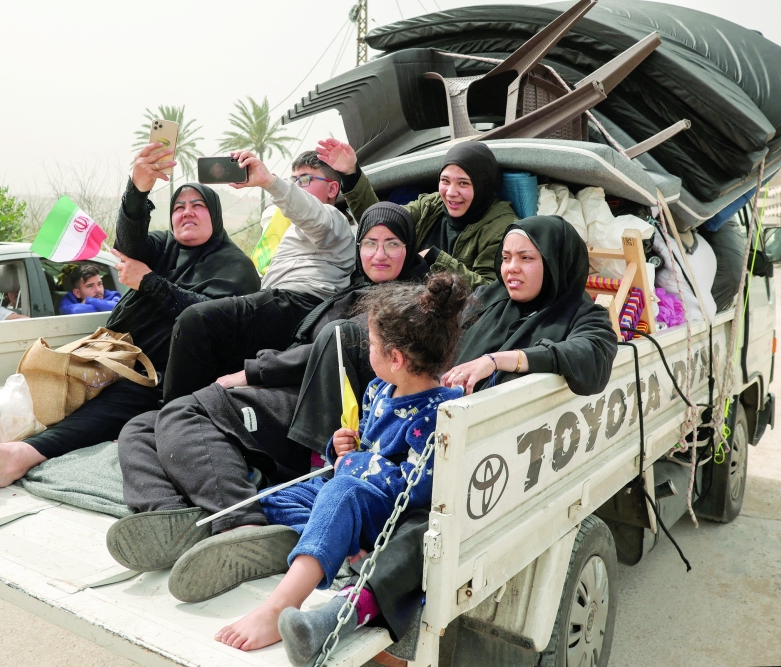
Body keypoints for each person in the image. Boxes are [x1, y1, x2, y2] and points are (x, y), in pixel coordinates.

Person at [273, 216, 619, 662]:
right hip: (424, 430)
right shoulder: (490, 299)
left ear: (556, 262)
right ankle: (296, 540)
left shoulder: (585, 316)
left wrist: (500, 360)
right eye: (507, 257)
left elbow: (590, 359)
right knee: (341, 478)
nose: (512, 268)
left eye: (527, 258)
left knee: (426, 530)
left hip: (489, 461)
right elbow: (427, 331)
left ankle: (340, 614)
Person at [0, 143, 262, 486]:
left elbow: (205, 320)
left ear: (215, 214)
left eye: (197, 206)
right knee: (28, 390)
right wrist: (138, 187)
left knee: (96, 409)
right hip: (105, 354)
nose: (186, 213)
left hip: (160, 377)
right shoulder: (164, 248)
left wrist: (149, 283)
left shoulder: (234, 266)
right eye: (178, 206)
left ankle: (19, 456)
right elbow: (129, 242)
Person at [108, 203, 430, 574]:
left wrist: (252, 373)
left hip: (317, 415)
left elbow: (334, 344)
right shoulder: (351, 288)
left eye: (392, 244)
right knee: (142, 425)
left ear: (410, 247)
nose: (379, 254)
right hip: (288, 394)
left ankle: (243, 522)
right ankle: (169, 516)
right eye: (370, 243)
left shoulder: (405, 304)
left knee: (186, 412)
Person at [197, 273, 467, 655]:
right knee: (281, 495)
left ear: (396, 358)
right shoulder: (378, 388)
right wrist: (340, 449)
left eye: (371, 344)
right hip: (355, 494)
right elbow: (368, 444)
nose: (366, 350)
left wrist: (356, 465)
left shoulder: (436, 412)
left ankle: (280, 605)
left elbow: (416, 486)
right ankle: (322, 547)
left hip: (385, 513)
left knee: (341, 493)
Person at [160, 149, 356, 402]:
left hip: (299, 303)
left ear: (332, 190)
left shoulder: (333, 218)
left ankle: (171, 416)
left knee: (196, 320)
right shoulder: (288, 227)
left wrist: (271, 182)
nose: (296, 186)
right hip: (282, 303)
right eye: (293, 179)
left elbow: (311, 213)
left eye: (305, 180)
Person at [317, 138, 518, 290]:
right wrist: (351, 173)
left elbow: (489, 291)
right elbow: (383, 223)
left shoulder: (502, 228)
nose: (451, 192)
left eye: (463, 183)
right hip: (402, 300)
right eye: (445, 181)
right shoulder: (431, 205)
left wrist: (435, 258)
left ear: (483, 185)